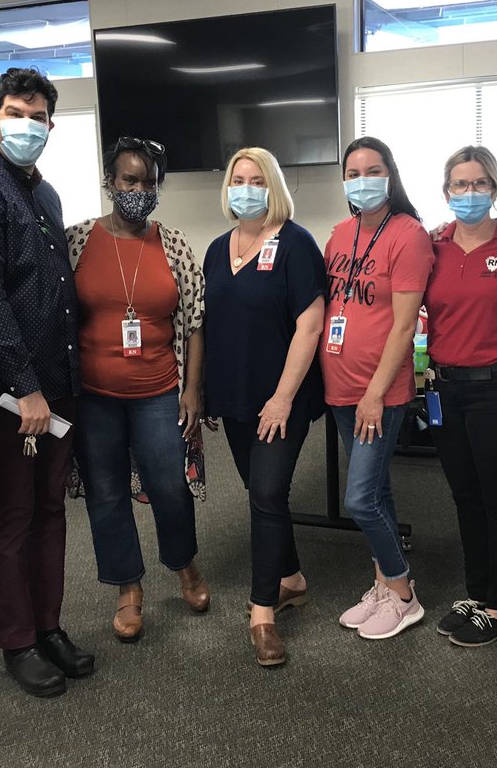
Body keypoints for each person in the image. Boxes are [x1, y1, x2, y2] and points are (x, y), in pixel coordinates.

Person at [0, 67, 93, 698]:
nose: (28, 125)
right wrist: (26, 387)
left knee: (50, 510)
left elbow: (55, 289)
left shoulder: (45, 193)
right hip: (13, 393)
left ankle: (49, 625)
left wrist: (60, 382)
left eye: (38, 117)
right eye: (16, 113)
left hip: (58, 381)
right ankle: (17, 639)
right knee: (13, 513)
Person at [68, 136, 209, 643]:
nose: (139, 190)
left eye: (148, 182)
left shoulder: (172, 245)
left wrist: (192, 391)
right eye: (130, 180)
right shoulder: (78, 241)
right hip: (95, 395)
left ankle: (184, 565)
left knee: (169, 486)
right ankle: (128, 589)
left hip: (157, 390)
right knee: (106, 494)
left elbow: (195, 322)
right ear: (111, 182)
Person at [202, 147, 325, 667]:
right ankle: (292, 578)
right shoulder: (216, 248)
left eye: (256, 179)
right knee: (261, 493)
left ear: (273, 186)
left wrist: (281, 398)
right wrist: (203, 390)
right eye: (237, 179)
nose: (245, 188)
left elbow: (311, 324)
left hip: (283, 398)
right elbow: (207, 325)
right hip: (233, 396)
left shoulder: (296, 245)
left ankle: (262, 613)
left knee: (269, 490)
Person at [322, 136, 434, 640]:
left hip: (379, 393)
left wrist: (375, 392)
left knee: (360, 500)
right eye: (353, 171)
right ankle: (383, 586)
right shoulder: (338, 235)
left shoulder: (408, 234)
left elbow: (405, 324)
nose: (362, 179)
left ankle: (404, 594)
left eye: (373, 169)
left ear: (389, 175)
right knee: (379, 491)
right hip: (339, 386)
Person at [423, 146, 497, 647]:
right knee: (464, 495)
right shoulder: (433, 246)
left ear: (495, 188)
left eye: (479, 183)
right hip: (443, 387)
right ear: (446, 192)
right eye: (460, 185)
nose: (470, 193)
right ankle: (478, 592)